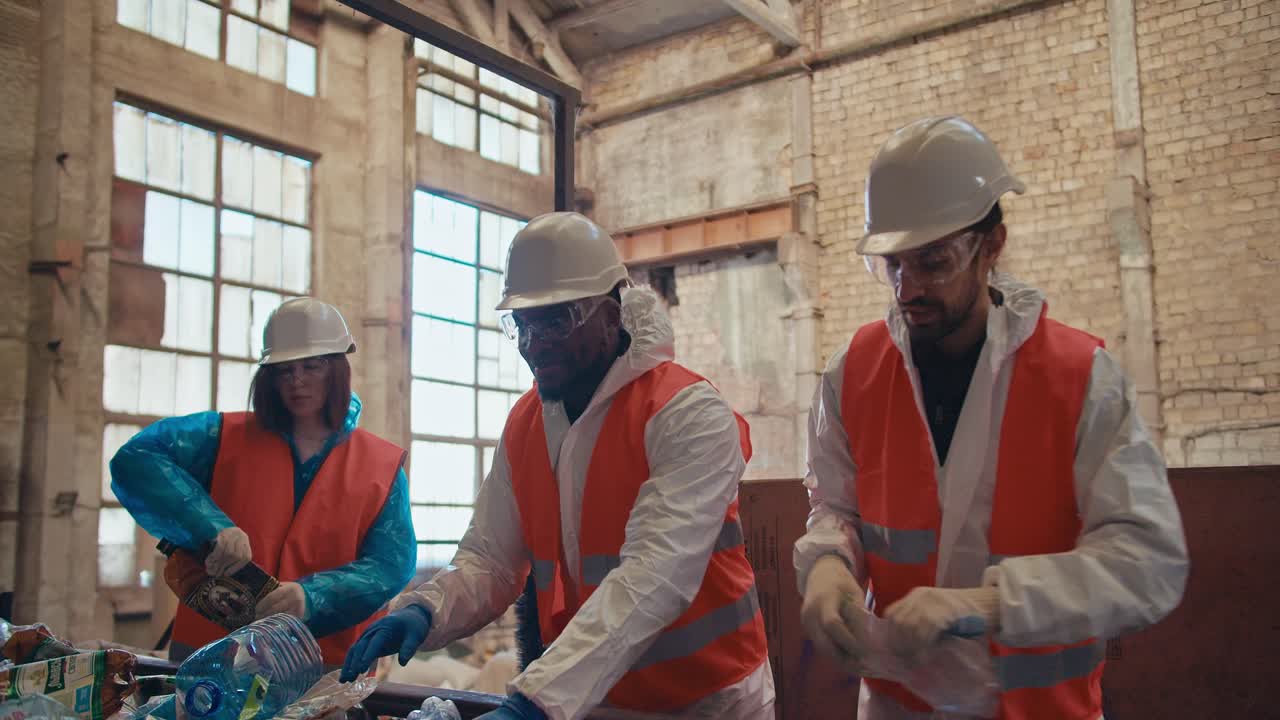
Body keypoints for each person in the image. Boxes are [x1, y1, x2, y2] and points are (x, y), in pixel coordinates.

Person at [794, 116, 1189, 719]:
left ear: (992, 247)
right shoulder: (853, 373)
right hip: (898, 705)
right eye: (892, 265)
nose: (907, 289)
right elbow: (836, 508)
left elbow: (1148, 565)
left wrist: (989, 605)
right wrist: (827, 562)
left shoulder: (1081, 378)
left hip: (1037, 709)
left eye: (933, 261)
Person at [341, 212, 774, 720]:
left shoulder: (687, 413)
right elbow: (492, 559)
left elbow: (653, 577)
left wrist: (535, 702)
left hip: (707, 702)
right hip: (593, 697)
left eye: (555, 320)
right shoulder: (527, 423)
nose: (532, 342)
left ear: (612, 314)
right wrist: (426, 609)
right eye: (521, 323)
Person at [111, 298, 416, 666]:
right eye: (284, 370)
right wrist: (211, 526)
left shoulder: (380, 466)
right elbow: (136, 459)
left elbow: (391, 564)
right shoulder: (219, 437)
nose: (297, 382)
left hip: (317, 670)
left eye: (312, 366)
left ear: (337, 368)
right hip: (208, 664)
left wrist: (313, 597)